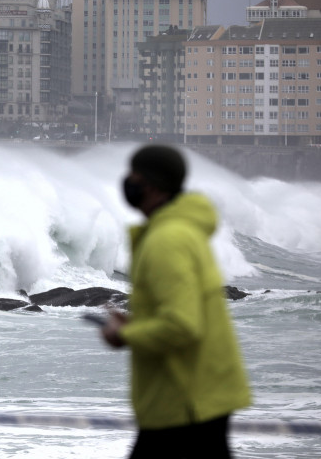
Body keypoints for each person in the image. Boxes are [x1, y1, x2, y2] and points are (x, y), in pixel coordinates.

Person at [100, 144, 251, 458]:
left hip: (184, 402)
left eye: (134, 175)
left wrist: (125, 334)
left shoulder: (167, 239)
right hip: (195, 394)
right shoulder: (182, 230)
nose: (128, 181)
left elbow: (182, 325)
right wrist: (141, 325)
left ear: (152, 185)